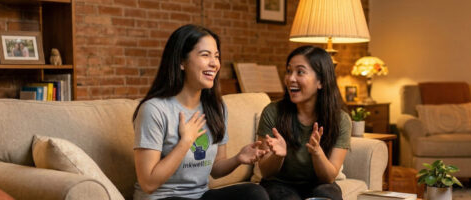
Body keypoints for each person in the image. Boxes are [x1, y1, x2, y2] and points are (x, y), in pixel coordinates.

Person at [132, 24, 269, 200]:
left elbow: (216, 169)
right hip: (163, 197)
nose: (214, 63)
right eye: (205, 55)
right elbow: (148, 183)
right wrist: (186, 142)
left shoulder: (216, 107)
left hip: (200, 196)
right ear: (181, 61)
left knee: (254, 193)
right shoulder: (155, 109)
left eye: (217, 56)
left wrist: (238, 158)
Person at [257, 46, 352, 200]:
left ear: (321, 81)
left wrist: (317, 152)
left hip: (319, 183)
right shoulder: (272, 112)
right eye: (289, 71)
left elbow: (329, 178)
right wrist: (278, 156)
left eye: (300, 72)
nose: (291, 78)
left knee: (328, 195)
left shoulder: (340, 120)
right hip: (278, 184)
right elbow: (266, 173)